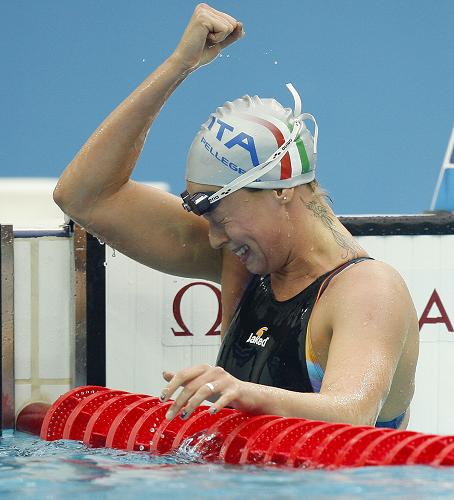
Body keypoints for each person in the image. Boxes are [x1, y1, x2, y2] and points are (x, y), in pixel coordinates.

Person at [54, 3, 419, 429]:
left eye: (217, 212)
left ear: (280, 188)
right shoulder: (244, 264)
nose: (212, 238)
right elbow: (84, 197)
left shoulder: (367, 290)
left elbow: (353, 412)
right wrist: (179, 64)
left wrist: (245, 393)